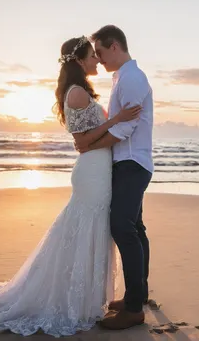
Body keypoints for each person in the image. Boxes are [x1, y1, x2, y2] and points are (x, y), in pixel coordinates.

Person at [0, 36, 141, 337]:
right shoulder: (77, 94)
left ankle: (84, 300)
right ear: (80, 60)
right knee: (86, 228)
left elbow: (85, 140)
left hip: (97, 170)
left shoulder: (79, 91)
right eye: (92, 56)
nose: (97, 60)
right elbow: (83, 142)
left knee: (91, 228)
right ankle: (70, 301)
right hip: (93, 173)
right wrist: (118, 119)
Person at [74, 25, 154, 330]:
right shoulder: (122, 77)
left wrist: (90, 145)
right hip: (128, 162)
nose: (99, 59)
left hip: (132, 162)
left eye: (101, 53)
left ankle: (134, 307)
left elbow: (125, 129)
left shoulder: (132, 78)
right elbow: (117, 123)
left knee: (122, 227)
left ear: (115, 47)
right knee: (134, 226)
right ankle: (139, 294)